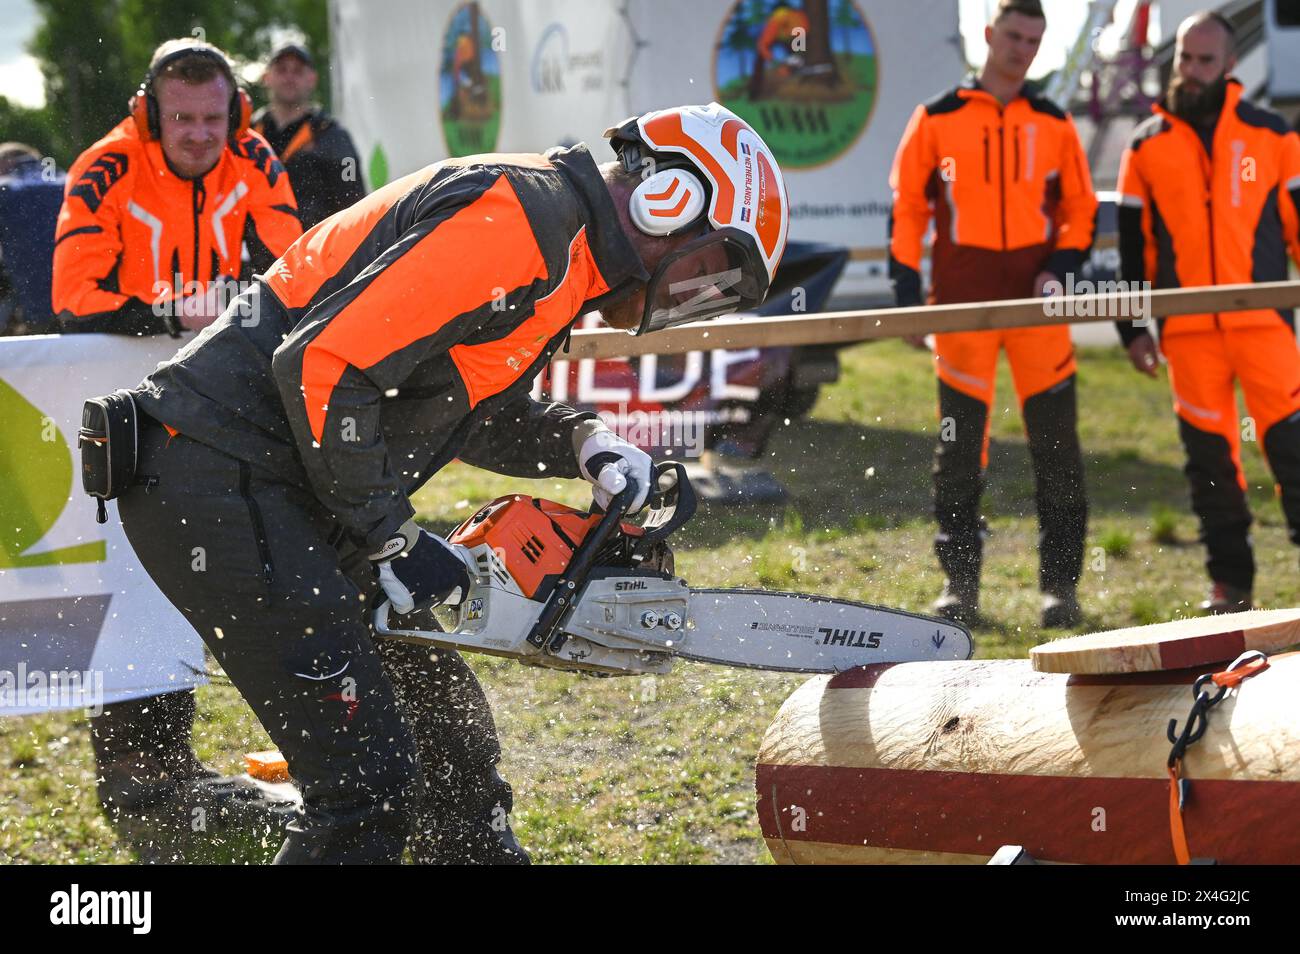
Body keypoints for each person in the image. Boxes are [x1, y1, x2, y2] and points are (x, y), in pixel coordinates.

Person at [106, 102, 788, 863]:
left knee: (450, 746)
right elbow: (325, 364)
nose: (694, 296)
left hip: (299, 487)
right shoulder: (520, 218)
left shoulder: (564, 256)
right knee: (366, 785)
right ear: (671, 203)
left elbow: (465, 403)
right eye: (708, 270)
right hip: (216, 475)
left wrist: (585, 442)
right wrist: (393, 538)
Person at [51, 38, 304, 854]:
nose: (199, 135)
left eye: (213, 117)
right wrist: (172, 315)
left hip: (224, 390)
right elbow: (74, 296)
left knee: (240, 554)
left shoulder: (256, 155)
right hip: (122, 393)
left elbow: (295, 269)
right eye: (182, 118)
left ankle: (306, 744)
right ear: (150, 111)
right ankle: (136, 765)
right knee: (131, 567)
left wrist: (228, 318)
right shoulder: (105, 167)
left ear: (235, 111)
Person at [888, 0, 1097, 628]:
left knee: (1058, 451)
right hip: (962, 304)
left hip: (1037, 308)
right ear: (987, 34)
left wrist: (1059, 268)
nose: (1022, 48)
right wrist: (907, 300)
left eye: (1034, 39)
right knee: (958, 451)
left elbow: (1080, 211)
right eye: (1013, 35)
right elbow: (907, 211)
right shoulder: (937, 117)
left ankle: (1060, 590)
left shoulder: (1054, 121)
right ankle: (960, 590)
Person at [1115, 12, 1300, 614]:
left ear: (1228, 66)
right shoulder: (1144, 145)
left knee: (1295, 455)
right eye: (1182, 61)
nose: (1190, 72)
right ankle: (1231, 589)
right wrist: (1130, 328)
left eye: (1203, 61)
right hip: (1188, 336)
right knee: (1210, 469)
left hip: (1266, 328)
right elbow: (1131, 249)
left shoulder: (1272, 134)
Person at [253, 42, 366, 229]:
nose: (289, 77)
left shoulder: (334, 137)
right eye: (281, 70)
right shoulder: (246, 134)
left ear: (312, 79)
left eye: (298, 71)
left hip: (312, 251)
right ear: (267, 77)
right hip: (254, 253)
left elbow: (354, 204)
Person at [0, 143, 64, 335]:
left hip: (34, 314)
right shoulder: (73, 181)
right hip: (82, 311)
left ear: (4, 165)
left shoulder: (5, 189)